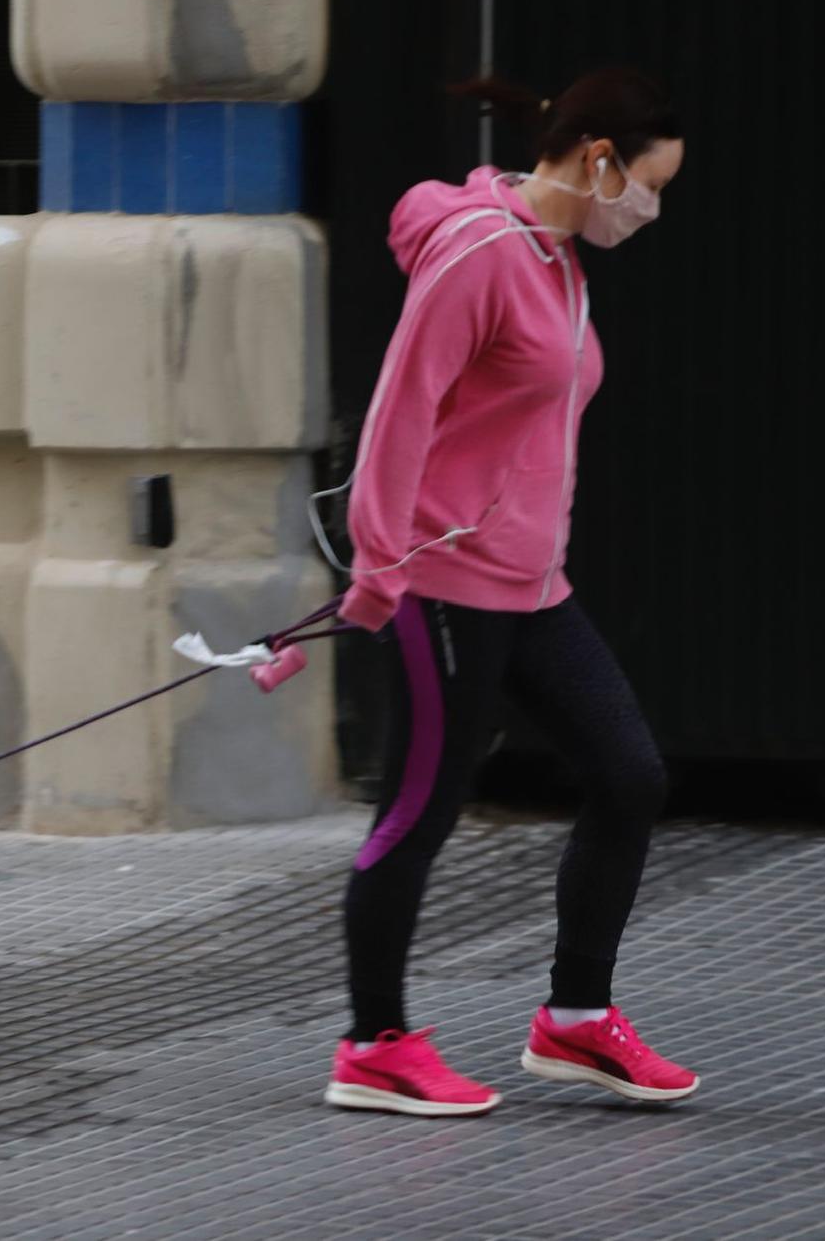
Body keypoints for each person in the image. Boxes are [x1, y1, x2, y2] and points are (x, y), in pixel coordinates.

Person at [317, 68, 698, 1116]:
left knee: (628, 777)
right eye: (648, 186)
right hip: (440, 581)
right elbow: (400, 405)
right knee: (418, 812)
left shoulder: (556, 258)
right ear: (597, 161)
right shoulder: (480, 254)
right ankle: (374, 1045)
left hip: (530, 584)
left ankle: (573, 1023)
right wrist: (377, 564)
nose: (649, 210)